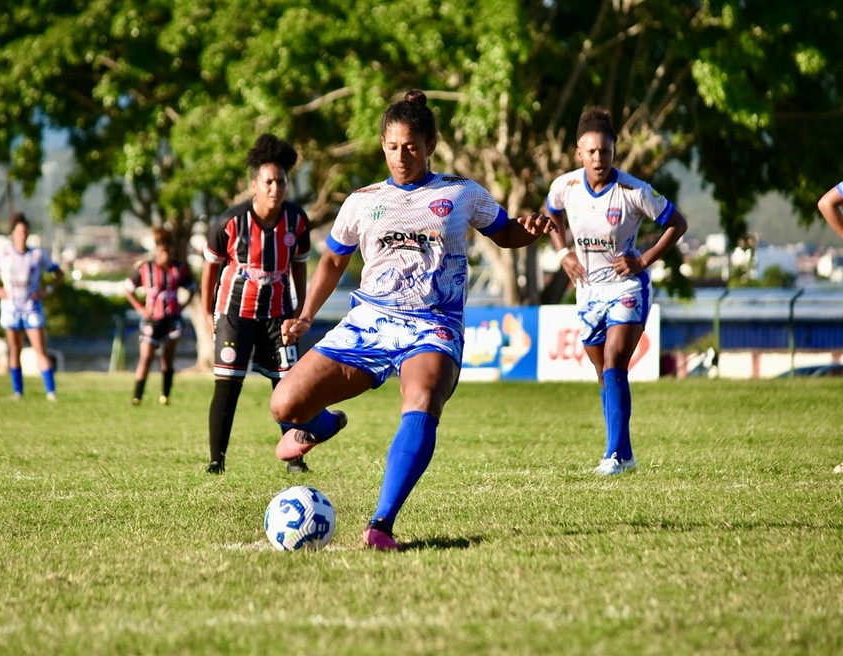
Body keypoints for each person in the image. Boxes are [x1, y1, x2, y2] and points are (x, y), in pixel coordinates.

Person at [268, 90, 551, 551]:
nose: (403, 156)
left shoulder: (461, 193)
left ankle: (381, 524)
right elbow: (332, 263)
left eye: (413, 147)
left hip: (432, 323)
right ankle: (320, 426)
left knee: (421, 398)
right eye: (394, 146)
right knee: (283, 407)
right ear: (383, 144)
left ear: (431, 145)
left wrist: (530, 229)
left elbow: (505, 233)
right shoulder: (363, 201)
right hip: (370, 322)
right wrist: (305, 315)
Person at [543, 106, 688, 476]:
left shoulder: (633, 191)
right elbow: (550, 215)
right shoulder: (566, 186)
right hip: (588, 291)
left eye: (605, 151)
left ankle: (614, 456)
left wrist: (645, 259)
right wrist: (563, 253)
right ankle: (624, 454)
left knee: (614, 364)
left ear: (614, 152)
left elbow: (677, 222)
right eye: (591, 151)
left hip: (627, 288)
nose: (598, 158)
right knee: (603, 374)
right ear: (579, 153)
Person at [201, 133, 312, 475]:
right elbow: (210, 267)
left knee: (287, 385)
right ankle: (216, 461)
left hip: (277, 316)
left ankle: (295, 459)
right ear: (255, 184)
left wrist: (298, 310)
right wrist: (208, 311)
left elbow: (299, 266)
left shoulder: (297, 221)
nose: (275, 188)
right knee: (228, 384)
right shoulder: (230, 222)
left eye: (280, 181)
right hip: (235, 314)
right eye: (268, 182)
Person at [0, 212, 65, 400]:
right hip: (11, 308)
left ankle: (51, 391)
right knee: (15, 349)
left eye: (25, 231)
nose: (22, 235)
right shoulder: (4, 254)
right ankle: (18, 391)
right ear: (12, 233)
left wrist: (46, 291)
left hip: (31, 308)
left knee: (39, 349)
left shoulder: (36, 255)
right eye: (19, 232)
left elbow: (58, 274)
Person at [123, 228, 197, 406]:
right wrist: (140, 308)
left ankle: (165, 395)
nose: (166, 256)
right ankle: (137, 395)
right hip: (152, 319)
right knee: (146, 357)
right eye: (163, 251)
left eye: (168, 251)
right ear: (157, 250)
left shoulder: (178, 268)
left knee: (167, 358)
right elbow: (128, 289)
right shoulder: (145, 268)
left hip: (172, 320)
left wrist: (182, 305)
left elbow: (192, 287)